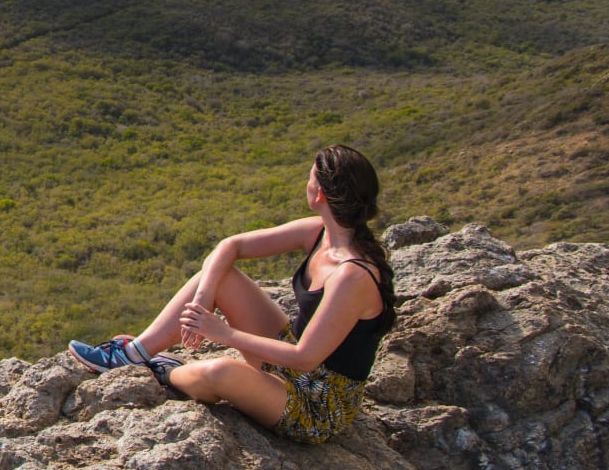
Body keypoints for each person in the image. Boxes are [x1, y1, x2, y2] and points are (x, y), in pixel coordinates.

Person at [65, 144, 397, 445]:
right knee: (221, 276)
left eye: (310, 178)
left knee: (219, 371)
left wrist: (224, 334)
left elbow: (305, 356)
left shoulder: (352, 275)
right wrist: (203, 298)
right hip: (289, 363)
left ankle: (159, 369)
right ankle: (134, 353)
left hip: (319, 403)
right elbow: (231, 246)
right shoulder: (319, 233)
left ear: (321, 193)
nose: (306, 183)